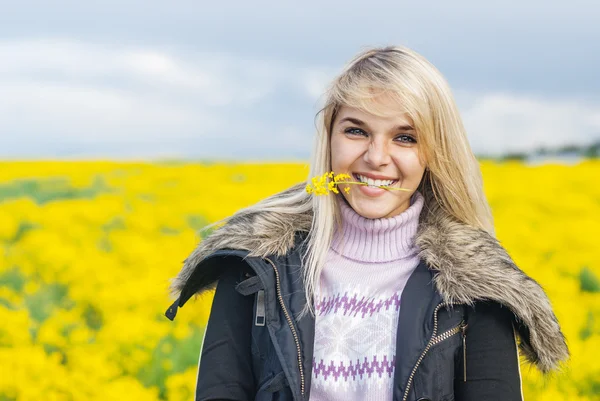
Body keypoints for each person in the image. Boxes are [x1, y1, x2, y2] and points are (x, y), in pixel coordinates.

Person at [165, 46, 569, 401]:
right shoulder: (256, 263)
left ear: (435, 153)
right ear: (329, 139)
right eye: (356, 131)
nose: (376, 157)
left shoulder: (475, 284)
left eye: (405, 138)